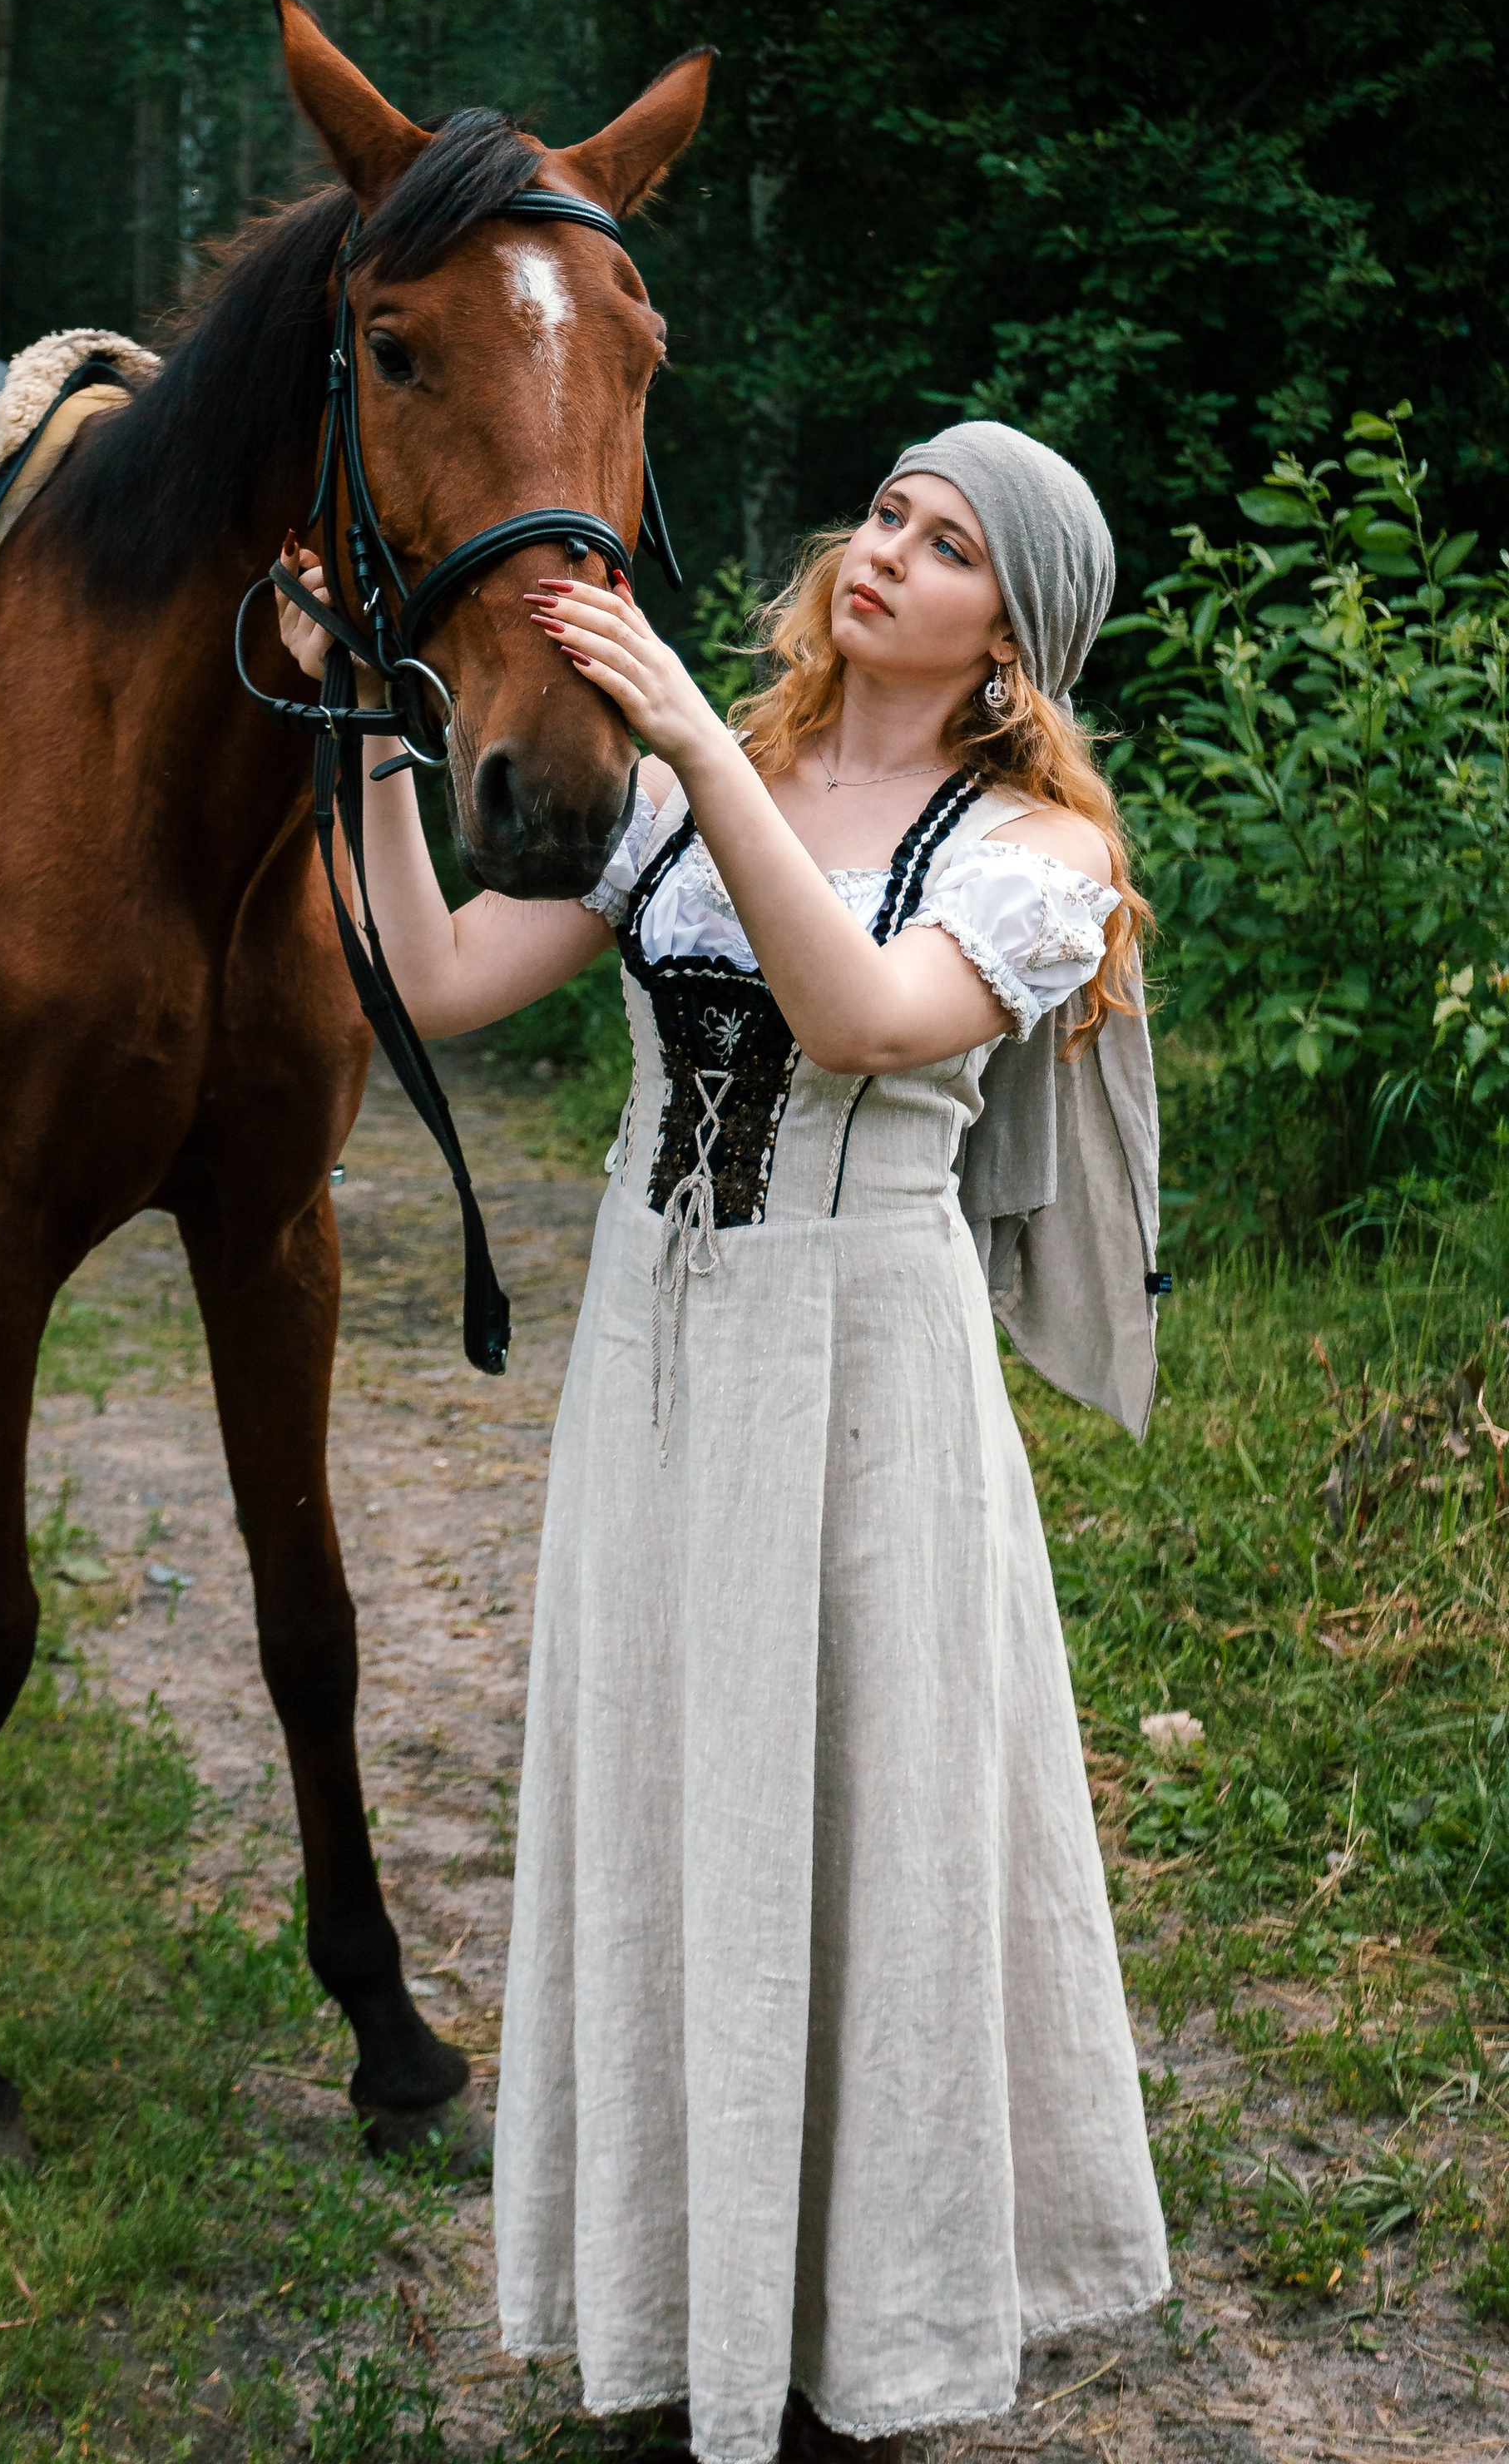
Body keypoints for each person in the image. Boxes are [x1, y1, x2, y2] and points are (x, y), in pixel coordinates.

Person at [277, 418, 1170, 2464]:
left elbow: (854, 1015)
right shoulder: (716, 792)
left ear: (1009, 640)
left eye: (946, 551)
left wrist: (685, 730)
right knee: (675, 1797)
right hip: (657, 1361)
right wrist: (364, 729)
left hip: (859, 1376)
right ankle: (680, 2301)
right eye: (885, 514)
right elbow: (433, 972)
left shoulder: (1036, 860)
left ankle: (860, 2334)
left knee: (854, 1817)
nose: (885, 555)